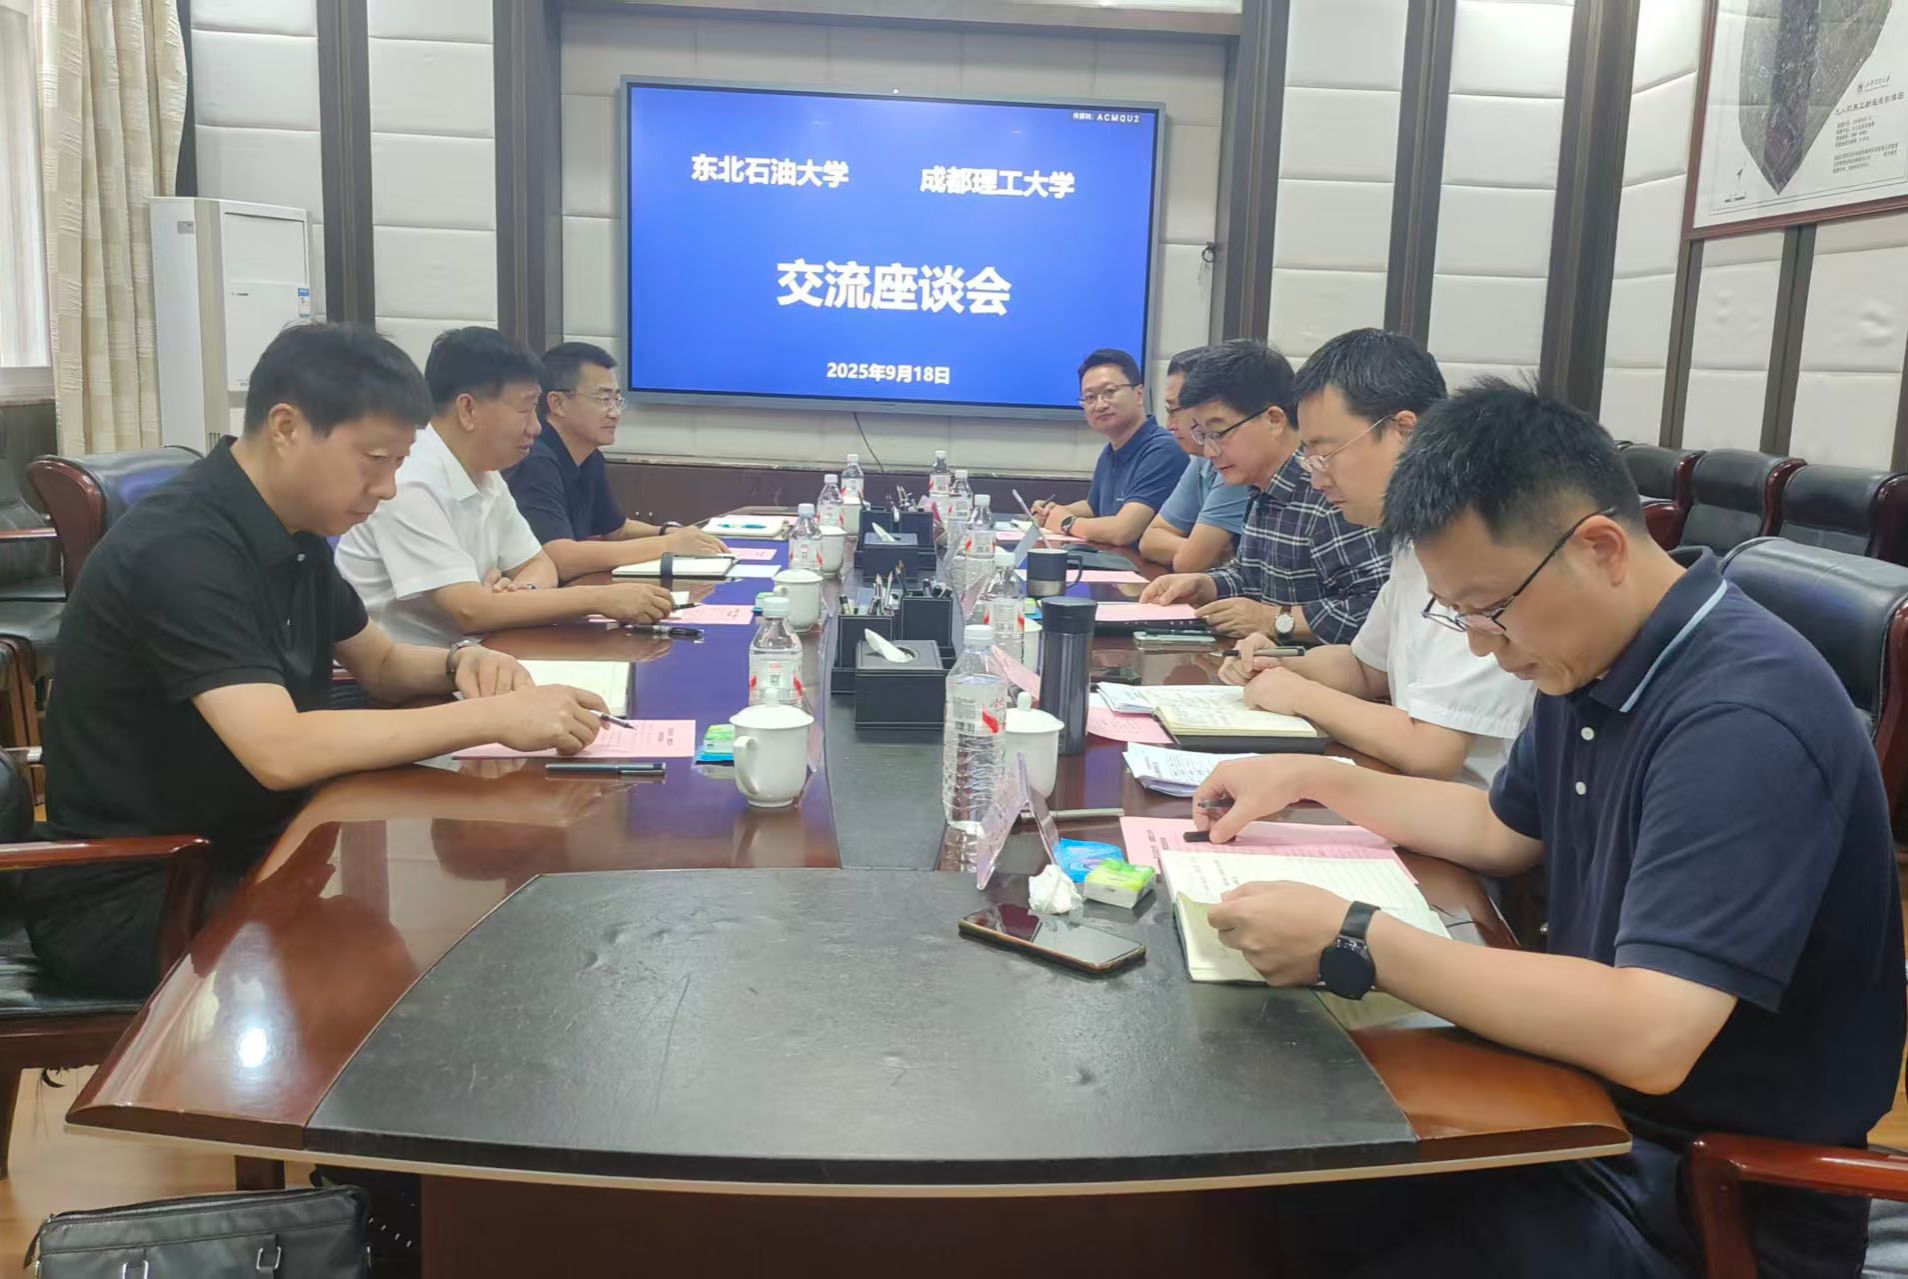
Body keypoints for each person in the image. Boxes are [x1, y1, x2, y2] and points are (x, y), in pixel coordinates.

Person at [1194, 381, 1904, 1278]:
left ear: (1600, 548)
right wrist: (1309, 778)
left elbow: (1652, 1032)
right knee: (1283, 1181)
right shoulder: (1595, 652)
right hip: (1586, 1114)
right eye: (1460, 613)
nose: (1481, 643)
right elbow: (1500, 828)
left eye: (1490, 608)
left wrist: (1356, 940)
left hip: (1704, 1201)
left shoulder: (1741, 717)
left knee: (1298, 1204)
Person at [18, 322, 616, 997]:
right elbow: (280, 749)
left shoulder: (294, 529)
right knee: (428, 972)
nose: (388, 488)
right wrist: (495, 718)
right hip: (143, 891)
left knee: (440, 942)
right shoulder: (183, 548)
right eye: (375, 459)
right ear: (286, 428)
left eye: (399, 463)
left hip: (259, 846)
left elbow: (381, 665)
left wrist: (460, 666)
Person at [1218, 329, 1531, 784]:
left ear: (1404, 430)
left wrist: (1298, 694)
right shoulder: (1411, 538)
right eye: (1309, 460)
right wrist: (1278, 662)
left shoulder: (1479, 544)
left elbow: (1432, 749)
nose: (1317, 480)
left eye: (1326, 454)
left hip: (1472, 810)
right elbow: (1366, 669)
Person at [337, 327, 677, 646]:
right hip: (412, 672)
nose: (536, 427)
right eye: (525, 409)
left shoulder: (486, 472)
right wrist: (598, 598)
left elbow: (539, 564)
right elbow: (469, 610)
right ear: (468, 410)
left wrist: (520, 592)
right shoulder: (410, 481)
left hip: (478, 652)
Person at [1138, 339, 1388, 642]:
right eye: (1203, 435)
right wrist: (1205, 585)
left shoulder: (1331, 494)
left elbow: (1376, 610)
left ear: (1274, 420)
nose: (1210, 450)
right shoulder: (1261, 487)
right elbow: (1250, 578)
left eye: (1219, 433)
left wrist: (1275, 619)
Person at [504, 341, 727, 580]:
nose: (615, 413)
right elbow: (559, 558)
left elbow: (616, 529)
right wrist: (667, 545)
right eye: (603, 399)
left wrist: (668, 532)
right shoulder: (534, 461)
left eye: (617, 400)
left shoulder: (588, 455)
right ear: (558, 403)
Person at [1028, 348, 1187, 547]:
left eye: (1110, 392)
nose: (1100, 405)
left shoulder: (1162, 450)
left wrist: (1067, 522)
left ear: (1139, 394)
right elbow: (1094, 507)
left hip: (1143, 564)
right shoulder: (1111, 450)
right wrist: (1052, 511)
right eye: (1090, 397)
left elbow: (1123, 530)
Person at [1135, 346, 1250, 572]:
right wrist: (1205, 551)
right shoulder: (1202, 459)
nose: (1169, 425)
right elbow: (1149, 541)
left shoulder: (1237, 461)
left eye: (1175, 410)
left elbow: (1192, 561)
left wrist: (1198, 552)